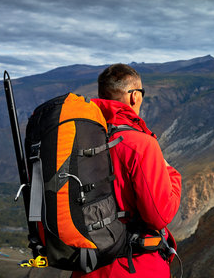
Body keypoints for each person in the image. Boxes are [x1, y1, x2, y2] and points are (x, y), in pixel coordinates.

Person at [73, 63, 182, 277]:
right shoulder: (141, 145)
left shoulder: (75, 141)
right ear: (134, 96)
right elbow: (159, 216)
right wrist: (173, 175)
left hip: (87, 265)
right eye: (141, 93)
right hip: (135, 266)